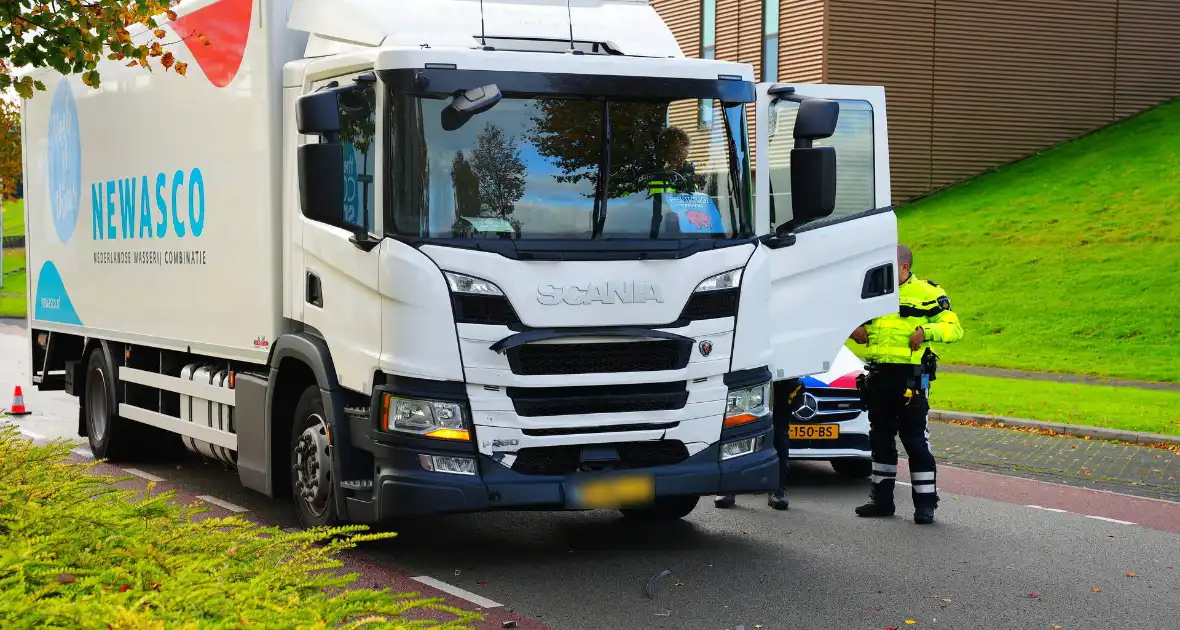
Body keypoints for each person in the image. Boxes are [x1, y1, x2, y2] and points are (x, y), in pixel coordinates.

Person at [848, 244, 963, 524]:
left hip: (911, 379)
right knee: (880, 440)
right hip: (878, 376)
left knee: (914, 441)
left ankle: (925, 505)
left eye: (889, 268)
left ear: (904, 267)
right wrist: (852, 328)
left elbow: (954, 328)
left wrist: (926, 331)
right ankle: (881, 501)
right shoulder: (872, 290)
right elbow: (845, 319)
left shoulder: (928, 292)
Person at [713, 379, 801, 511]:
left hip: (782, 382)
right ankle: (728, 487)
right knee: (735, 431)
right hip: (748, 377)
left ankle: (778, 489)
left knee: (779, 434)